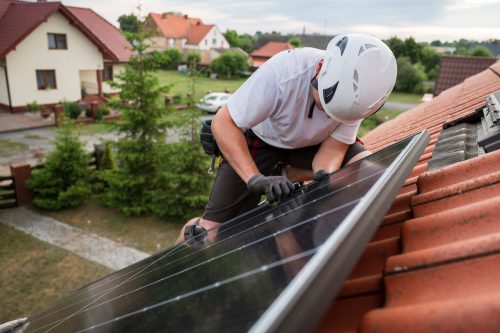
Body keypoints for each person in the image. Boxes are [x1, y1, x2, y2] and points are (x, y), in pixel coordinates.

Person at [176, 33, 397, 244]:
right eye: (324, 107)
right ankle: (185, 253)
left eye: (335, 115)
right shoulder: (283, 72)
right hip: (261, 143)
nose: (328, 117)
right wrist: (255, 179)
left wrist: (325, 178)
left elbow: (334, 148)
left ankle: (313, 237)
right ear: (320, 69)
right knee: (208, 234)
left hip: (312, 146)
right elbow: (223, 123)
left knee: (364, 170)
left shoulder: (358, 96)